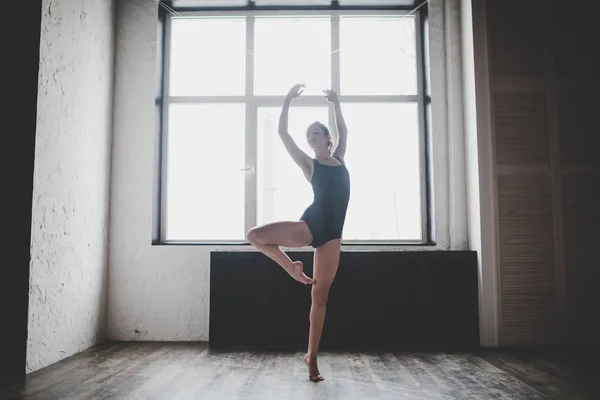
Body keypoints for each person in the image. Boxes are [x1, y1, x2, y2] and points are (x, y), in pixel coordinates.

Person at [246, 83, 350, 383]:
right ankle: (291, 268)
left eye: (315, 133)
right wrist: (287, 100)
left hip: (332, 236)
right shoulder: (310, 164)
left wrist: (336, 104)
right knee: (255, 235)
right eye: (308, 136)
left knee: (321, 295)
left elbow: (344, 131)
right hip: (310, 225)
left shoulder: (340, 158)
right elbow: (283, 134)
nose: (311, 137)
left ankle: (312, 356)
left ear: (327, 139)